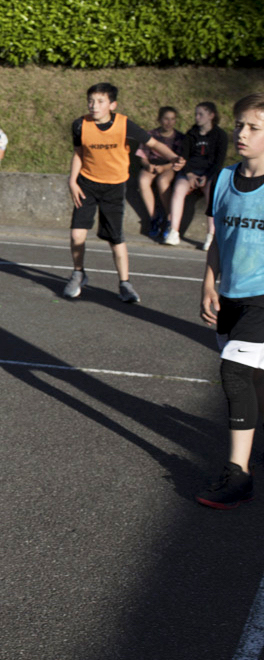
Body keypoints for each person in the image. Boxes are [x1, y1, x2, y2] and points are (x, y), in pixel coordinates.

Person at [196, 93, 264, 509]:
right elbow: (219, 239)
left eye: (254, 127)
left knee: (235, 372)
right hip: (231, 294)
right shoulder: (223, 179)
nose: (242, 133)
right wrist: (209, 284)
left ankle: (239, 474)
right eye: (240, 125)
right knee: (255, 377)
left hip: (262, 298)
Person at [64, 82, 181, 303]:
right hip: (87, 184)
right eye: (91, 101)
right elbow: (79, 153)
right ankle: (78, 273)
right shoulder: (80, 125)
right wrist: (72, 181)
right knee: (76, 234)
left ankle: (125, 283)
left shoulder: (124, 124)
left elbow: (154, 143)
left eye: (100, 101)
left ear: (112, 105)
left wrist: (173, 157)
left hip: (114, 187)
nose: (94, 105)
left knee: (116, 239)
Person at [164, 101, 228, 249]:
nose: (197, 117)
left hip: (209, 173)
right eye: (196, 114)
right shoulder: (191, 134)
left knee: (212, 192)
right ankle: (174, 231)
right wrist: (189, 175)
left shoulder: (220, 135)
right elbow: (184, 157)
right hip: (190, 172)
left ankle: (211, 235)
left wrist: (207, 176)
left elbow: (219, 161)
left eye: (201, 114)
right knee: (178, 189)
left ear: (211, 116)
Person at [136, 106, 186, 239]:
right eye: (166, 119)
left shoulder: (179, 138)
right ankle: (154, 217)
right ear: (159, 119)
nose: (169, 122)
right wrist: (148, 165)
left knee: (162, 181)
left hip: (170, 166)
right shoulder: (151, 135)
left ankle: (170, 218)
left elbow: (179, 159)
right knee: (143, 180)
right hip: (152, 165)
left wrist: (164, 168)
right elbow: (143, 157)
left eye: (172, 119)